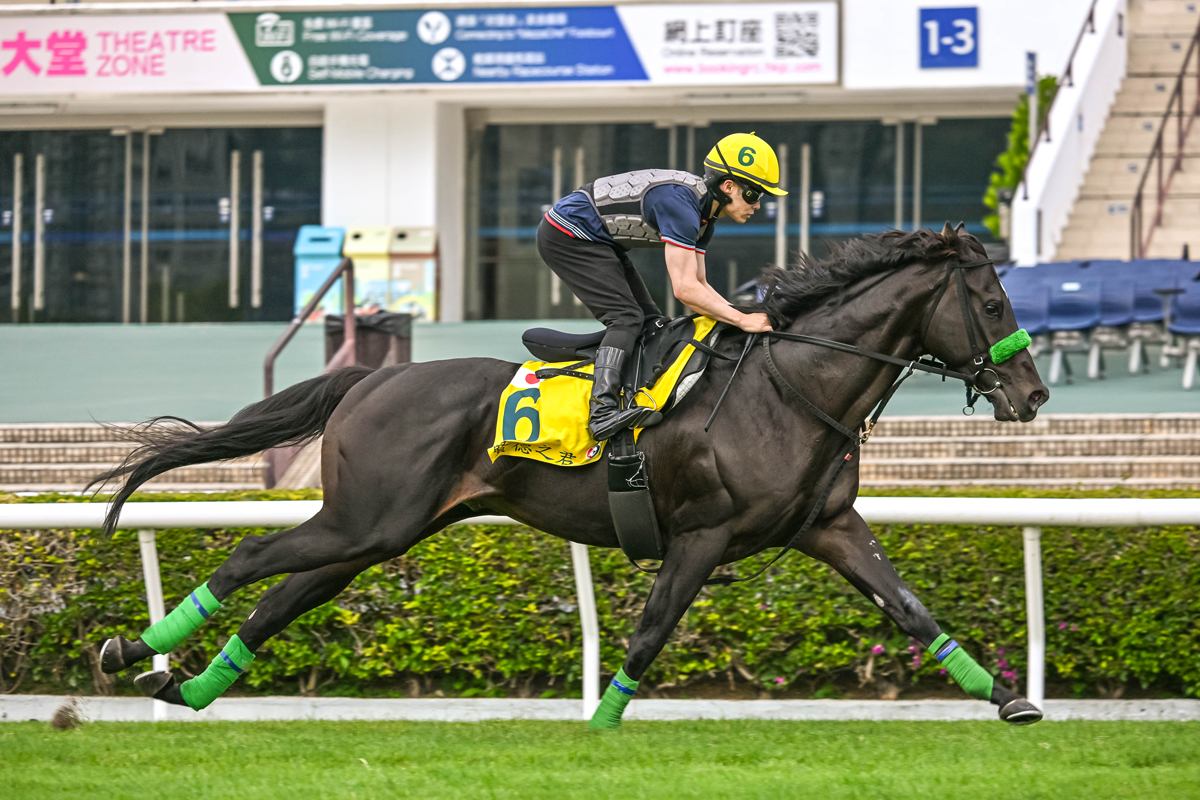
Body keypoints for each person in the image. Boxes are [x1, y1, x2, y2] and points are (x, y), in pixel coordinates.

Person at [537, 132, 783, 441]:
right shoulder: (682, 206)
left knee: (651, 322)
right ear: (728, 186)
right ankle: (601, 412)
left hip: (601, 241)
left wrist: (738, 316)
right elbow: (685, 291)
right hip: (567, 233)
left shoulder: (705, 217)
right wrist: (742, 319)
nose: (757, 205)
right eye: (754, 194)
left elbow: (701, 284)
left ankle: (629, 393)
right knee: (626, 318)